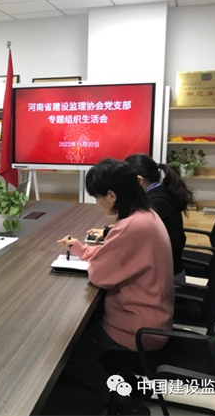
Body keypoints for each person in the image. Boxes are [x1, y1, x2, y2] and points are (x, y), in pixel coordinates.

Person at [51, 159, 174, 404]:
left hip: (137, 327)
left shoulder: (132, 226)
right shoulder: (145, 215)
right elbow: (116, 255)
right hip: (152, 315)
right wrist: (83, 250)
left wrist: (91, 258)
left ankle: (118, 396)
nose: (97, 203)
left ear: (111, 195)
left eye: (97, 197)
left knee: (65, 352)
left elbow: (100, 275)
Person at [125, 153, 194, 283]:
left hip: (166, 280)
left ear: (140, 180)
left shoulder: (156, 204)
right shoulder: (161, 193)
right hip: (170, 269)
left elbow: (137, 235)